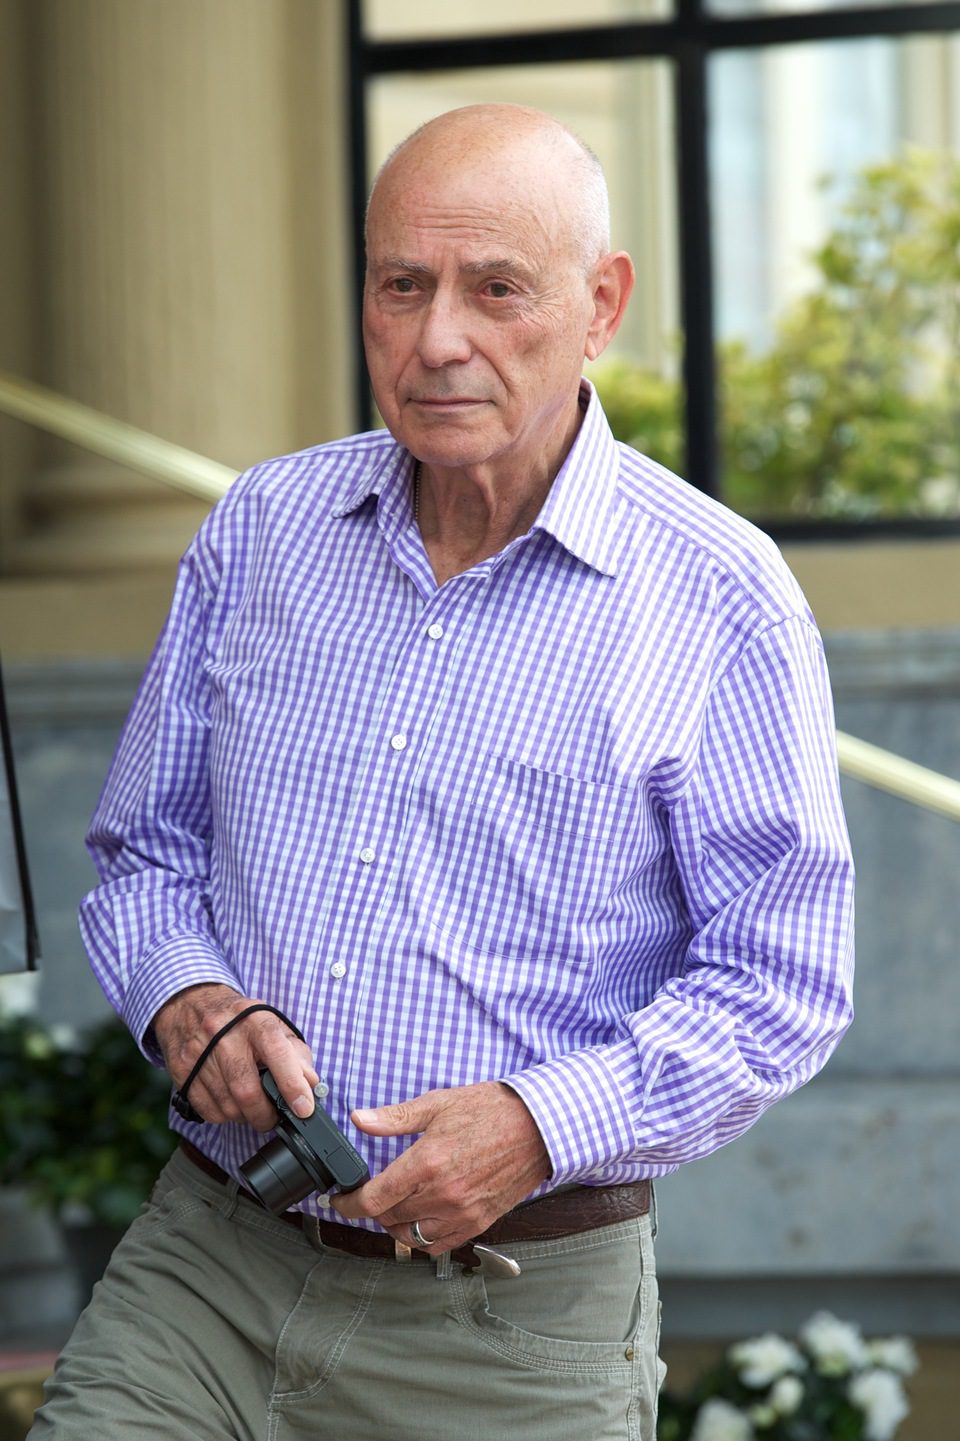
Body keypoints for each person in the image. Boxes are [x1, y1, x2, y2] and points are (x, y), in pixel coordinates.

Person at [30, 104, 854, 1441]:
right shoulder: (265, 528)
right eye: (398, 285)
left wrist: (537, 1122)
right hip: (208, 1267)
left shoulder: (720, 598)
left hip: (510, 1326)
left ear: (602, 305)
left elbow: (785, 979)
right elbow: (149, 851)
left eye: (497, 290)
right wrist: (187, 994)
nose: (435, 341)